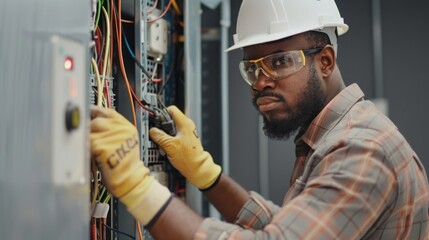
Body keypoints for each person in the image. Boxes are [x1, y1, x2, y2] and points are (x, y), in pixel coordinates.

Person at [90, 0, 429, 239]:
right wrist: (206, 174)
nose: (261, 81)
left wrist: (137, 186)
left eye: (280, 61)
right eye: (252, 67)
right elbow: (286, 226)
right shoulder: (333, 135)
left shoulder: (362, 150)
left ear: (325, 61)